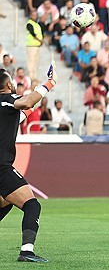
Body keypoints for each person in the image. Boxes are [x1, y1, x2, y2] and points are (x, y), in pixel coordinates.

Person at [0, 62, 57, 262]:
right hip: (1, 168)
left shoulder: (6, 107)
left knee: (5, 201)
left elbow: (25, 110)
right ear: (8, 85)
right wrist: (49, 84)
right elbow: (24, 103)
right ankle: (26, 251)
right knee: (32, 206)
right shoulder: (6, 100)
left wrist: (38, 96)